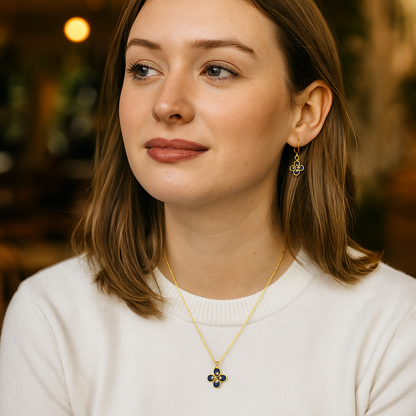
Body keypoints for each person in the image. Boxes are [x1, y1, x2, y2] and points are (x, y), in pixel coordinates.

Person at [1, 0, 415, 414]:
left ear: (304, 113)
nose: (166, 104)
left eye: (216, 69)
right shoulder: (51, 317)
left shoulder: (395, 327)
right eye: (144, 69)